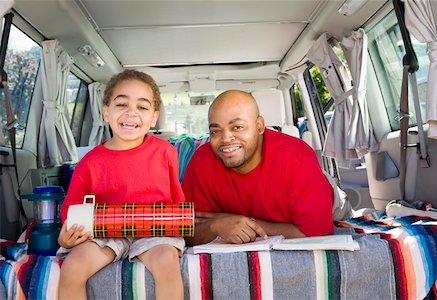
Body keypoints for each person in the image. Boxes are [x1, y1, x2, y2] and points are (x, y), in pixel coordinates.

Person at [57, 69, 185, 300]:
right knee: (73, 266)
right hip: (106, 231)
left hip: (154, 229)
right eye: (121, 104)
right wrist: (66, 234)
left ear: (154, 117)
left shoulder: (165, 152)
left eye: (142, 107)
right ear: (106, 112)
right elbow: (71, 209)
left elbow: (176, 200)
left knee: (167, 261)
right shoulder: (90, 162)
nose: (131, 113)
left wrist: (183, 229)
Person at [182, 90, 334, 245]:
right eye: (216, 131)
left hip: (325, 195)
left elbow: (317, 233)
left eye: (237, 127)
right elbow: (187, 231)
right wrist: (215, 226)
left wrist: (244, 224)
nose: (226, 139)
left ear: (259, 126)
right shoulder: (202, 161)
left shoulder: (296, 156)